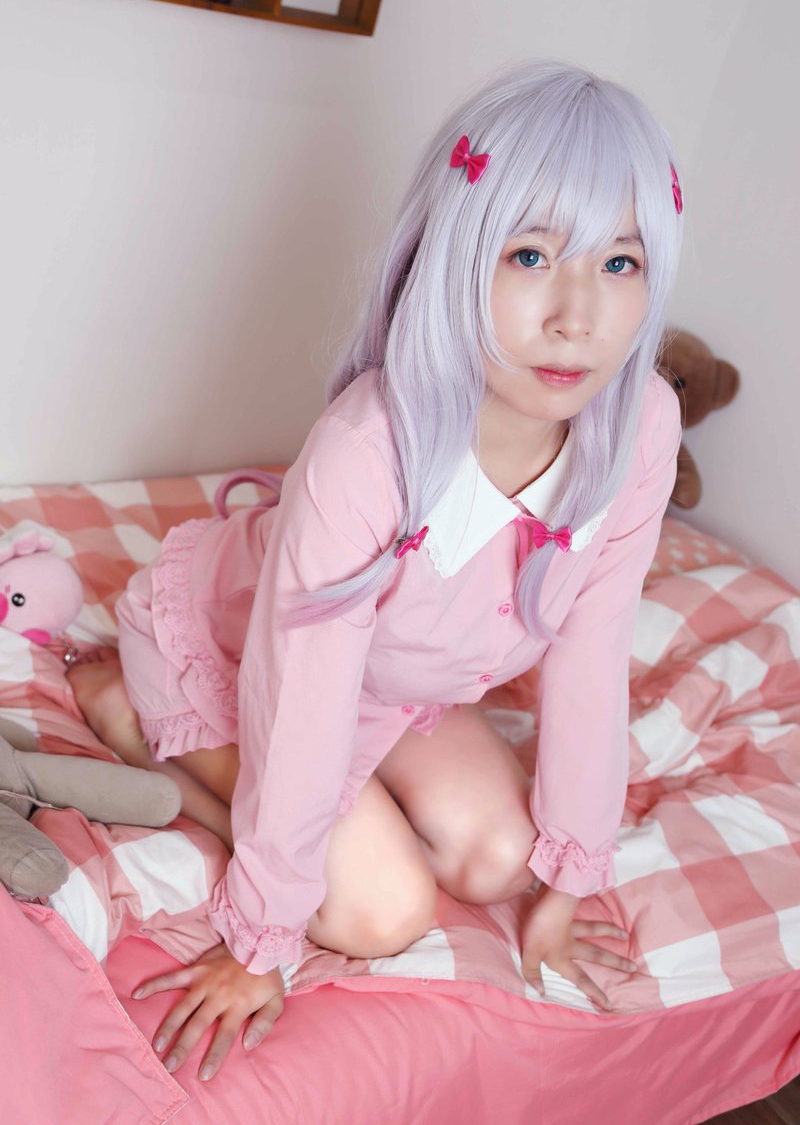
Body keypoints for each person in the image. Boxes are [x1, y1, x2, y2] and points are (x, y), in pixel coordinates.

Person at [67, 57, 684, 1083]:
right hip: (239, 652)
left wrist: (570, 879)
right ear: (455, 255)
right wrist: (262, 936)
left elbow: (592, 650)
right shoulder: (370, 447)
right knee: (379, 913)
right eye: (530, 255)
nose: (577, 317)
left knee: (500, 863)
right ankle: (131, 716)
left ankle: (341, 812)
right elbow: (302, 694)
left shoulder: (640, 427)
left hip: (398, 690)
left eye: (619, 263)